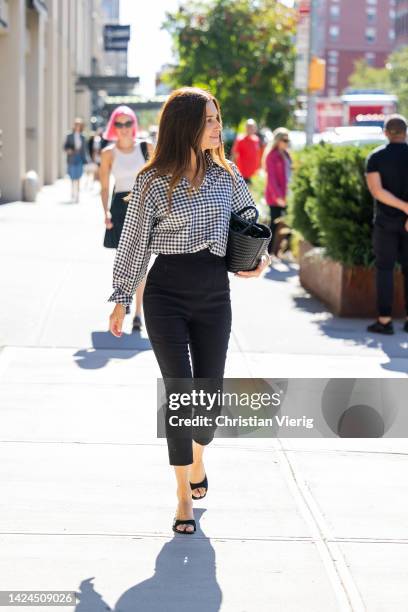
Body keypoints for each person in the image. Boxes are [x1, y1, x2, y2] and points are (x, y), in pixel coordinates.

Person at [107, 87, 270, 535]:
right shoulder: (153, 180)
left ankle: (197, 460)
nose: (219, 127)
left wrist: (260, 258)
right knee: (181, 396)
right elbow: (134, 242)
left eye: (219, 118)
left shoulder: (227, 174)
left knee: (209, 403)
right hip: (166, 295)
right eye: (211, 120)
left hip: (214, 294)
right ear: (188, 126)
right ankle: (182, 494)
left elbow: (251, 220)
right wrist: (122, 296)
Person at [100, 105, 153, 332]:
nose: (123, 128)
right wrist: (106, 212)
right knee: (126, 262)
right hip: (120, 208)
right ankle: (124, 302)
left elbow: (158, 178)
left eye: (127, 123)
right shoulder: (108, 153)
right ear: (113, 126)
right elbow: (104, 187)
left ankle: (138, 314)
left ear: (134, 125)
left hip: (143, 206)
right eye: (119, 124)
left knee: (142, 263)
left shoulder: (146, 147)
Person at [365, 114, 408, 334]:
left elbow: (377, 191)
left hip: (385, 223)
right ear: (406, 132)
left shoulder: (376, 157)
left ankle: (384, 320)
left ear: (385, 133)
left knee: (385, 270)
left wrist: (403, 207)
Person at [262, 127, 292, 255]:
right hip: (276, 197)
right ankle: (267, 252)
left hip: (287, 195)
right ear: (278, 140)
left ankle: (285, 250)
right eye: (284, 139)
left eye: (288, 140)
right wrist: (278, 197)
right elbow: (272, 179)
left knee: (289, 223)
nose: (287, 142)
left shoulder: (286, 155)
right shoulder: (272, 156)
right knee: (274, 224)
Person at [63, 118, 88, 202]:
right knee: (72, 177)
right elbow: (65, 147)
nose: (77, 126)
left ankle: (77, 194)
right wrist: (68, 150)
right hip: (71, 158)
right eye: (76, 124)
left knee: (78, 177)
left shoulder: (83, 137)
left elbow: (84, 150)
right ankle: (72, 192)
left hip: (79, 158)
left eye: (79, 125)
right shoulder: (69, 135)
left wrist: (86, 160)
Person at [231, 118, 261, 184]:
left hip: (253, 173)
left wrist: (258, 168)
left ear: (255, 128)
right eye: (249, 126)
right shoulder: (240, 139)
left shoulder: (256, 139)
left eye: (252, 127)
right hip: (242, 173)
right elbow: (234, 154)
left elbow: (257, 154)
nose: (250, 128)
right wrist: (233, 170)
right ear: (246, 128)